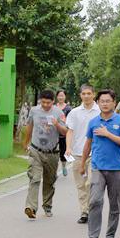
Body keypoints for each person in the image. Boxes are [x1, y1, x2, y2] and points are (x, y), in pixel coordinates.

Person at [81, 89, 120, 238]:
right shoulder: (93, 122)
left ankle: (110, 235)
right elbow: (88, 144)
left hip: (117, 168)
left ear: (114, 103)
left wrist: (107, 133)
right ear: (98, 102)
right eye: (102, 101)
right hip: (97, 167)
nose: (105, 104)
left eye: (108, 101)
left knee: (114, 204)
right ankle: (93, 236)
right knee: (95, 200)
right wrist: (82, 164)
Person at [23, 89, 67, 219]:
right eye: (43, 102)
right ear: (40, 101)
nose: (46, 105)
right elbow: (29, 126)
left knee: (49, 180)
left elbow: (65, 132)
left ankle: (47, 206)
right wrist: (26, 143)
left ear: (53, 101)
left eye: (48, 103)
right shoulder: (34, 110)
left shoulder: (58, 113)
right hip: (36, 150)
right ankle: (31, 207)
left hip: (52, 152)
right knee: (34, 178)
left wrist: (56, 124)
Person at [65, 84, 100, 223]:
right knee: (81, 184)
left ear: (93, 94)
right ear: (80, 95)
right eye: (83, 94)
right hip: (78, 153)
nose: (86, 96)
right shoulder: (74, 112)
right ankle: (84, 212)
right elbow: (70, 131)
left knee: (91, 182)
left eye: (89, 93)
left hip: (95, 153)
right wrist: (68, 147)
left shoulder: (99, 111)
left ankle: (92, 209)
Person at [55, 89, 72, 177]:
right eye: (59, 95)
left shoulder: (68, 108)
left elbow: (70, 121)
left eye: (62, 95)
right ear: (57, 97)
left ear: (65, 97)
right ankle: (54, 170)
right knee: (54, 153)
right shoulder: (53, 107)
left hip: (64, 134)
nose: (61, 97)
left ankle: (64, 166)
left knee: (63, 153)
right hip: (53, 134)